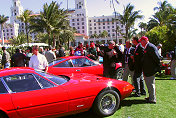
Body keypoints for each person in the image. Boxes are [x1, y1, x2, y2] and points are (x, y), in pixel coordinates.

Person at [139, 36, 160, 104]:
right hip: (148, 69)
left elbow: (157, 58)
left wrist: (156, 67)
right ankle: (151, 97)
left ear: (145, 40)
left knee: (150, 84)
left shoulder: (150, 47)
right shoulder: (147, 47)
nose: (140, 43)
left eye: (141, 41)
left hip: (150, 69)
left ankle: (152, 99)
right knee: (149, 84)